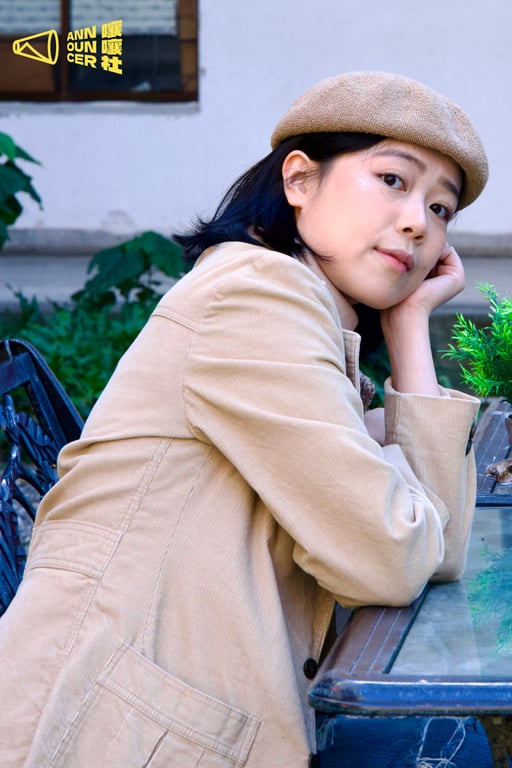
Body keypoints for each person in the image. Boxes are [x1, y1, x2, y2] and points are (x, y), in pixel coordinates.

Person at [0, 71, 489, 768]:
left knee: (443, 738)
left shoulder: (299, 317)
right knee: (443, 743)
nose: (419, 222)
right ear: (300, 179)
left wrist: (410, 324)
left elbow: (435, 553)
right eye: (392, 180)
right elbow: (392, 557)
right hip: (110, 730)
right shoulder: (256, 298)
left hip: (186, 713)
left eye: (441, 208)